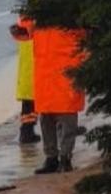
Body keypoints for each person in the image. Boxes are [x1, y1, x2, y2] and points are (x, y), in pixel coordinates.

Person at [32, 21, 88, 173]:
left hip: (65, 70)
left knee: (66, 115)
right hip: (46, 72)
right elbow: (25, 29)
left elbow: (86, 31)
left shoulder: (71, 9)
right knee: (47, 117)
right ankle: (53, 158)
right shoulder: (38, 11)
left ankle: (64, 157)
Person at [9, 0, 42, 144]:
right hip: (36, 53)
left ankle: (27, 130)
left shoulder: (32, 0)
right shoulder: (44, 1)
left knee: (29, 97)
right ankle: (28, 131)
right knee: (37, 95)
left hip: (28, 53)